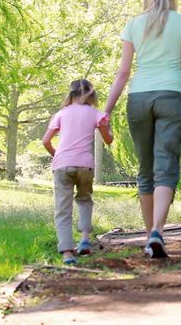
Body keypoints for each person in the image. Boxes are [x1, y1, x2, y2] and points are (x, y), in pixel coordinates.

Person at [104, 0, 181, 258]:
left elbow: (123, 73)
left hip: (139, 97)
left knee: (145, 169)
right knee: (165, 166)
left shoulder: (134, 25)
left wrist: (106, 109)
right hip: (171, 97)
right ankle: (157, 230)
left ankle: (149, 238)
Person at [43, 79, 114, 265]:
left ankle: (67, 253)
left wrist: (57, 156)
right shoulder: (96, 114)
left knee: (63, 209)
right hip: (85, 165)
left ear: (71, 94)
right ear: (92, 96)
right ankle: (84, 240)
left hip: (62, 165)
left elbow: (46, 141)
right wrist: (108, 126)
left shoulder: (60, 114)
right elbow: (108, 140)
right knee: (84, 200)